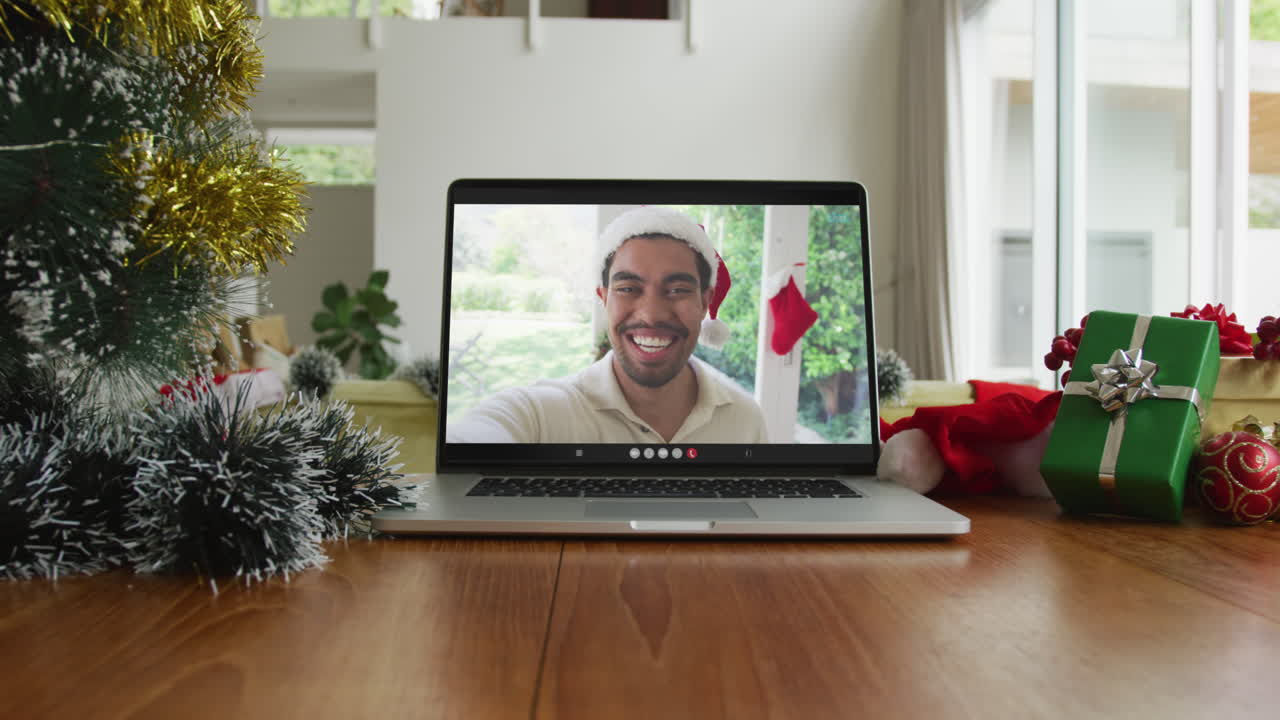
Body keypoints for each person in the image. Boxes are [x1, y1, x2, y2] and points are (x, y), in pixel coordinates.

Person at [447, 206, 770, 444]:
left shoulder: (744, 419)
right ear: (604, 298)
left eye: (678, 290)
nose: (651, 314)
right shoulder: (537, 414)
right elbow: (480, 433)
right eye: (628, 288)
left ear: (704, 301)